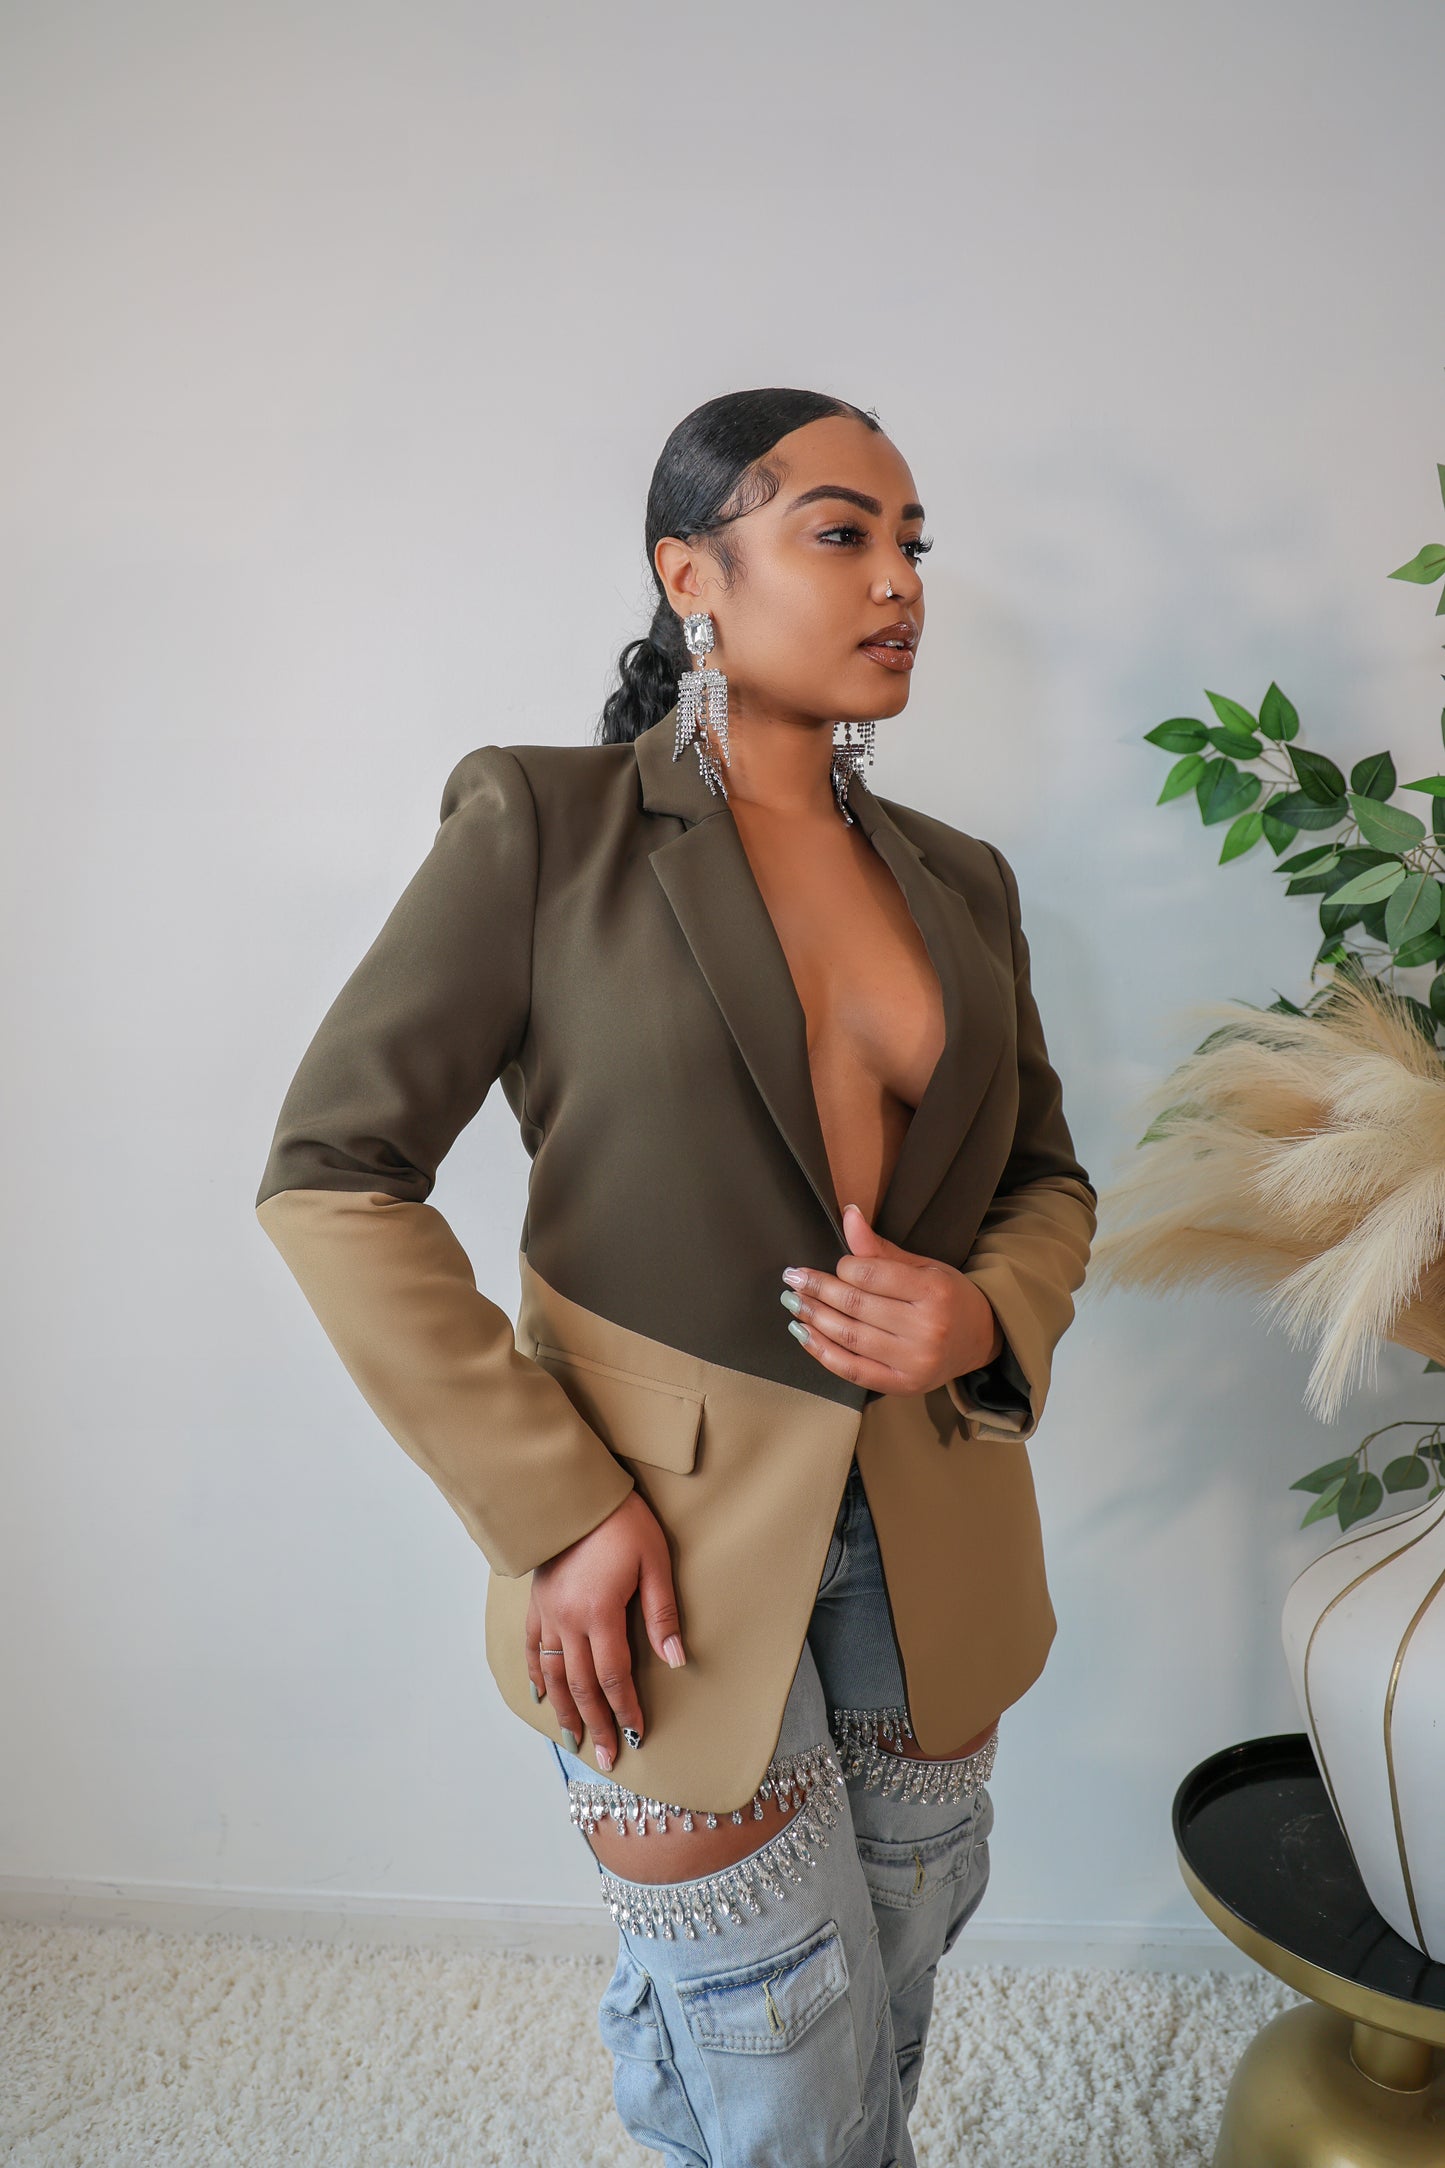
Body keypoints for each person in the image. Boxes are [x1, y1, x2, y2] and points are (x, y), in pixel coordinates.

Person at [255, 387, 1096, 2167]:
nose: (899, 581)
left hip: (934, 1528)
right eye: (839, 533)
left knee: (881, 2010)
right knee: (781, 2067)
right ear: (688, 574)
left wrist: (981, 1313)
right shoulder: (544, 826)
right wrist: (552, 1509)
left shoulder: (964, 882)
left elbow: (1042, 1181)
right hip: (654, 1557)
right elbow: (334, 1173)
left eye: (912, 543)